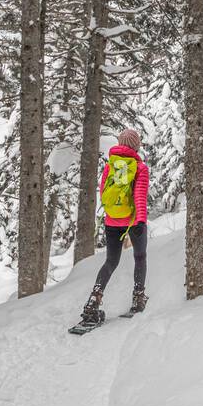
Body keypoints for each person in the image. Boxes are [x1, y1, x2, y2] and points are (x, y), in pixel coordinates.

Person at [82, 129, 150, 320]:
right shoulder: (140, 167)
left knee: (111, 262)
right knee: (140, 257)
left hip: (112, 220)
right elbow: (139, 196)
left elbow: (104, 192)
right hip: (133, 220)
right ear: (136, 146)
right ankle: (138, 297)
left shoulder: (109, 166)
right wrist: (140, 220)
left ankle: (94, 300)